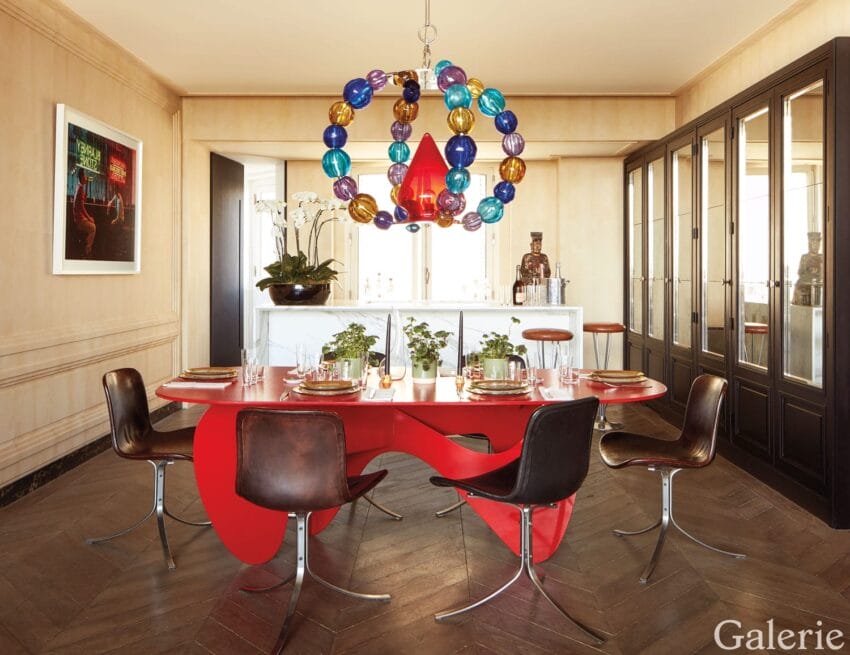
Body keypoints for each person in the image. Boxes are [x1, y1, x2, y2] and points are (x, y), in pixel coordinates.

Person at [792, 232, 824, 306]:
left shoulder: (822, 257)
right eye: (814, 244)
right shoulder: (804, 257)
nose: (816, 246)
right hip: (806, 280)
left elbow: (824, 272)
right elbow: (800, 272)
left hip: (817, 281)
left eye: (818, 244)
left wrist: (817, 272)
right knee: (798, 284)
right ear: (809, 244)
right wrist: (809, 272)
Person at [72, 168, 96, 256]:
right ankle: (87, 250)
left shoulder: (79, 187)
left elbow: (79, 205)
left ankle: (86, 246)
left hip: (77, 218)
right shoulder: (81, 188)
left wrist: (88, 218)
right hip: (79, 220)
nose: (86, 178)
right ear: (82, 177)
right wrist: (89, 218)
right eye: (85, 176)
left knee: (91, 223)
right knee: (93, 228)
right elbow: (82, 207)